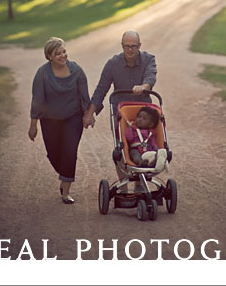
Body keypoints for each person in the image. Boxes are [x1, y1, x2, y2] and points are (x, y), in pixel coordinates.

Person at [82, 30, 157, 190]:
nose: (130, 50)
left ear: (139, 46)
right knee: (121, 147)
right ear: (122, 46)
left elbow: (150, 77)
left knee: (142, 145)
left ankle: (139, 183)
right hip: (121, 113)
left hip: (143, 112)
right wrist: (90, 114)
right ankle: (123, 185)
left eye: (134, 46)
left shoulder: (149, 59)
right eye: (127, 46)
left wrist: (143, 87)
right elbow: (101, 89)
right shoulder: (113, 64)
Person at [28, 37, 91, 204]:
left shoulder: (76, 70)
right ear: (49, 56)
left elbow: (84, 95)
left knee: (70, 152)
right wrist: (33, 125)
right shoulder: (42, 73)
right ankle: (65, 173)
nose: (63, 56)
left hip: (73, 118)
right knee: (54, 154)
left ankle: (66, 190)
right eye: (58, 54)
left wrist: (87, 115)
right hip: (50, 120)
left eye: (64, 51)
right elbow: (37, 100)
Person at [124, 106, 167, 171]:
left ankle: (156, 160)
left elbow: (153, 144)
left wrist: (156, 150)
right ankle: (141, 163)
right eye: (139, 117)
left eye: (144, 119)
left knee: (153, 154)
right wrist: (129, 127)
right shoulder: (133, 130)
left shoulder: (151, 133)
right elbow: (129, 138)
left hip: (148, 150)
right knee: (136, 156)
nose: (140, 119)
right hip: (136, 149)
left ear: (150, 124)